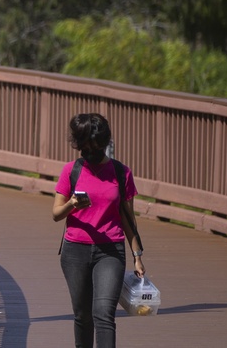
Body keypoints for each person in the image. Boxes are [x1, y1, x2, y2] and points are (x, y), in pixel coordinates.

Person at [52, 113, 145, 348]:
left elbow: (128, 219)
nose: (89, 150)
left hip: (110, 251)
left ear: (103, 143)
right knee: (83, 316)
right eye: (84, 145)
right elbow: (55, 214)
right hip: (75, 251)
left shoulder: (121, 172)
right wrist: (72, 204)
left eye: (93, 145)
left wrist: (137, 257)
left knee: (103, 313)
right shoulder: (70, 171)